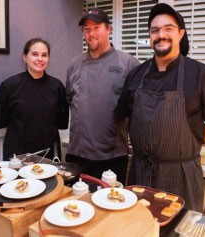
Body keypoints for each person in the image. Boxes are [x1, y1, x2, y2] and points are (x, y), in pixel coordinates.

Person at [115, 3, 205, 212]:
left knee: (178, 230)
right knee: (139, 227)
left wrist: (190, 144)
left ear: (181, 33)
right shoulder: (135, 75)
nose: (161, 35)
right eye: (155, 30)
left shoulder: (202, 75)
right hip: (139, 171)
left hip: (181, 174)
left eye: (168, 29)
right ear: (150, 35)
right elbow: (124, 117)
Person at [66, 8, 140, 184]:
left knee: (112, 206)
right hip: (78, 153)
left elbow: (136, 109)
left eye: (96, 27)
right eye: (86, 29)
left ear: (109, 29)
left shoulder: (128, 63)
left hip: (113, 156)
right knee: (76, 206)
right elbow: (71, 100)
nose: (91, 33)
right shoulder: (74, 65)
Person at [0, 38, 68, 160]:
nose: (40, 59)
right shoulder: (9, 86)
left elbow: (61, 122)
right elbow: (1, 122)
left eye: (44, 55)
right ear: (24, 57)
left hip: (49, 154)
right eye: (34, 54)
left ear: (48, 58)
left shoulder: (57, 86)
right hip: (16, 155)